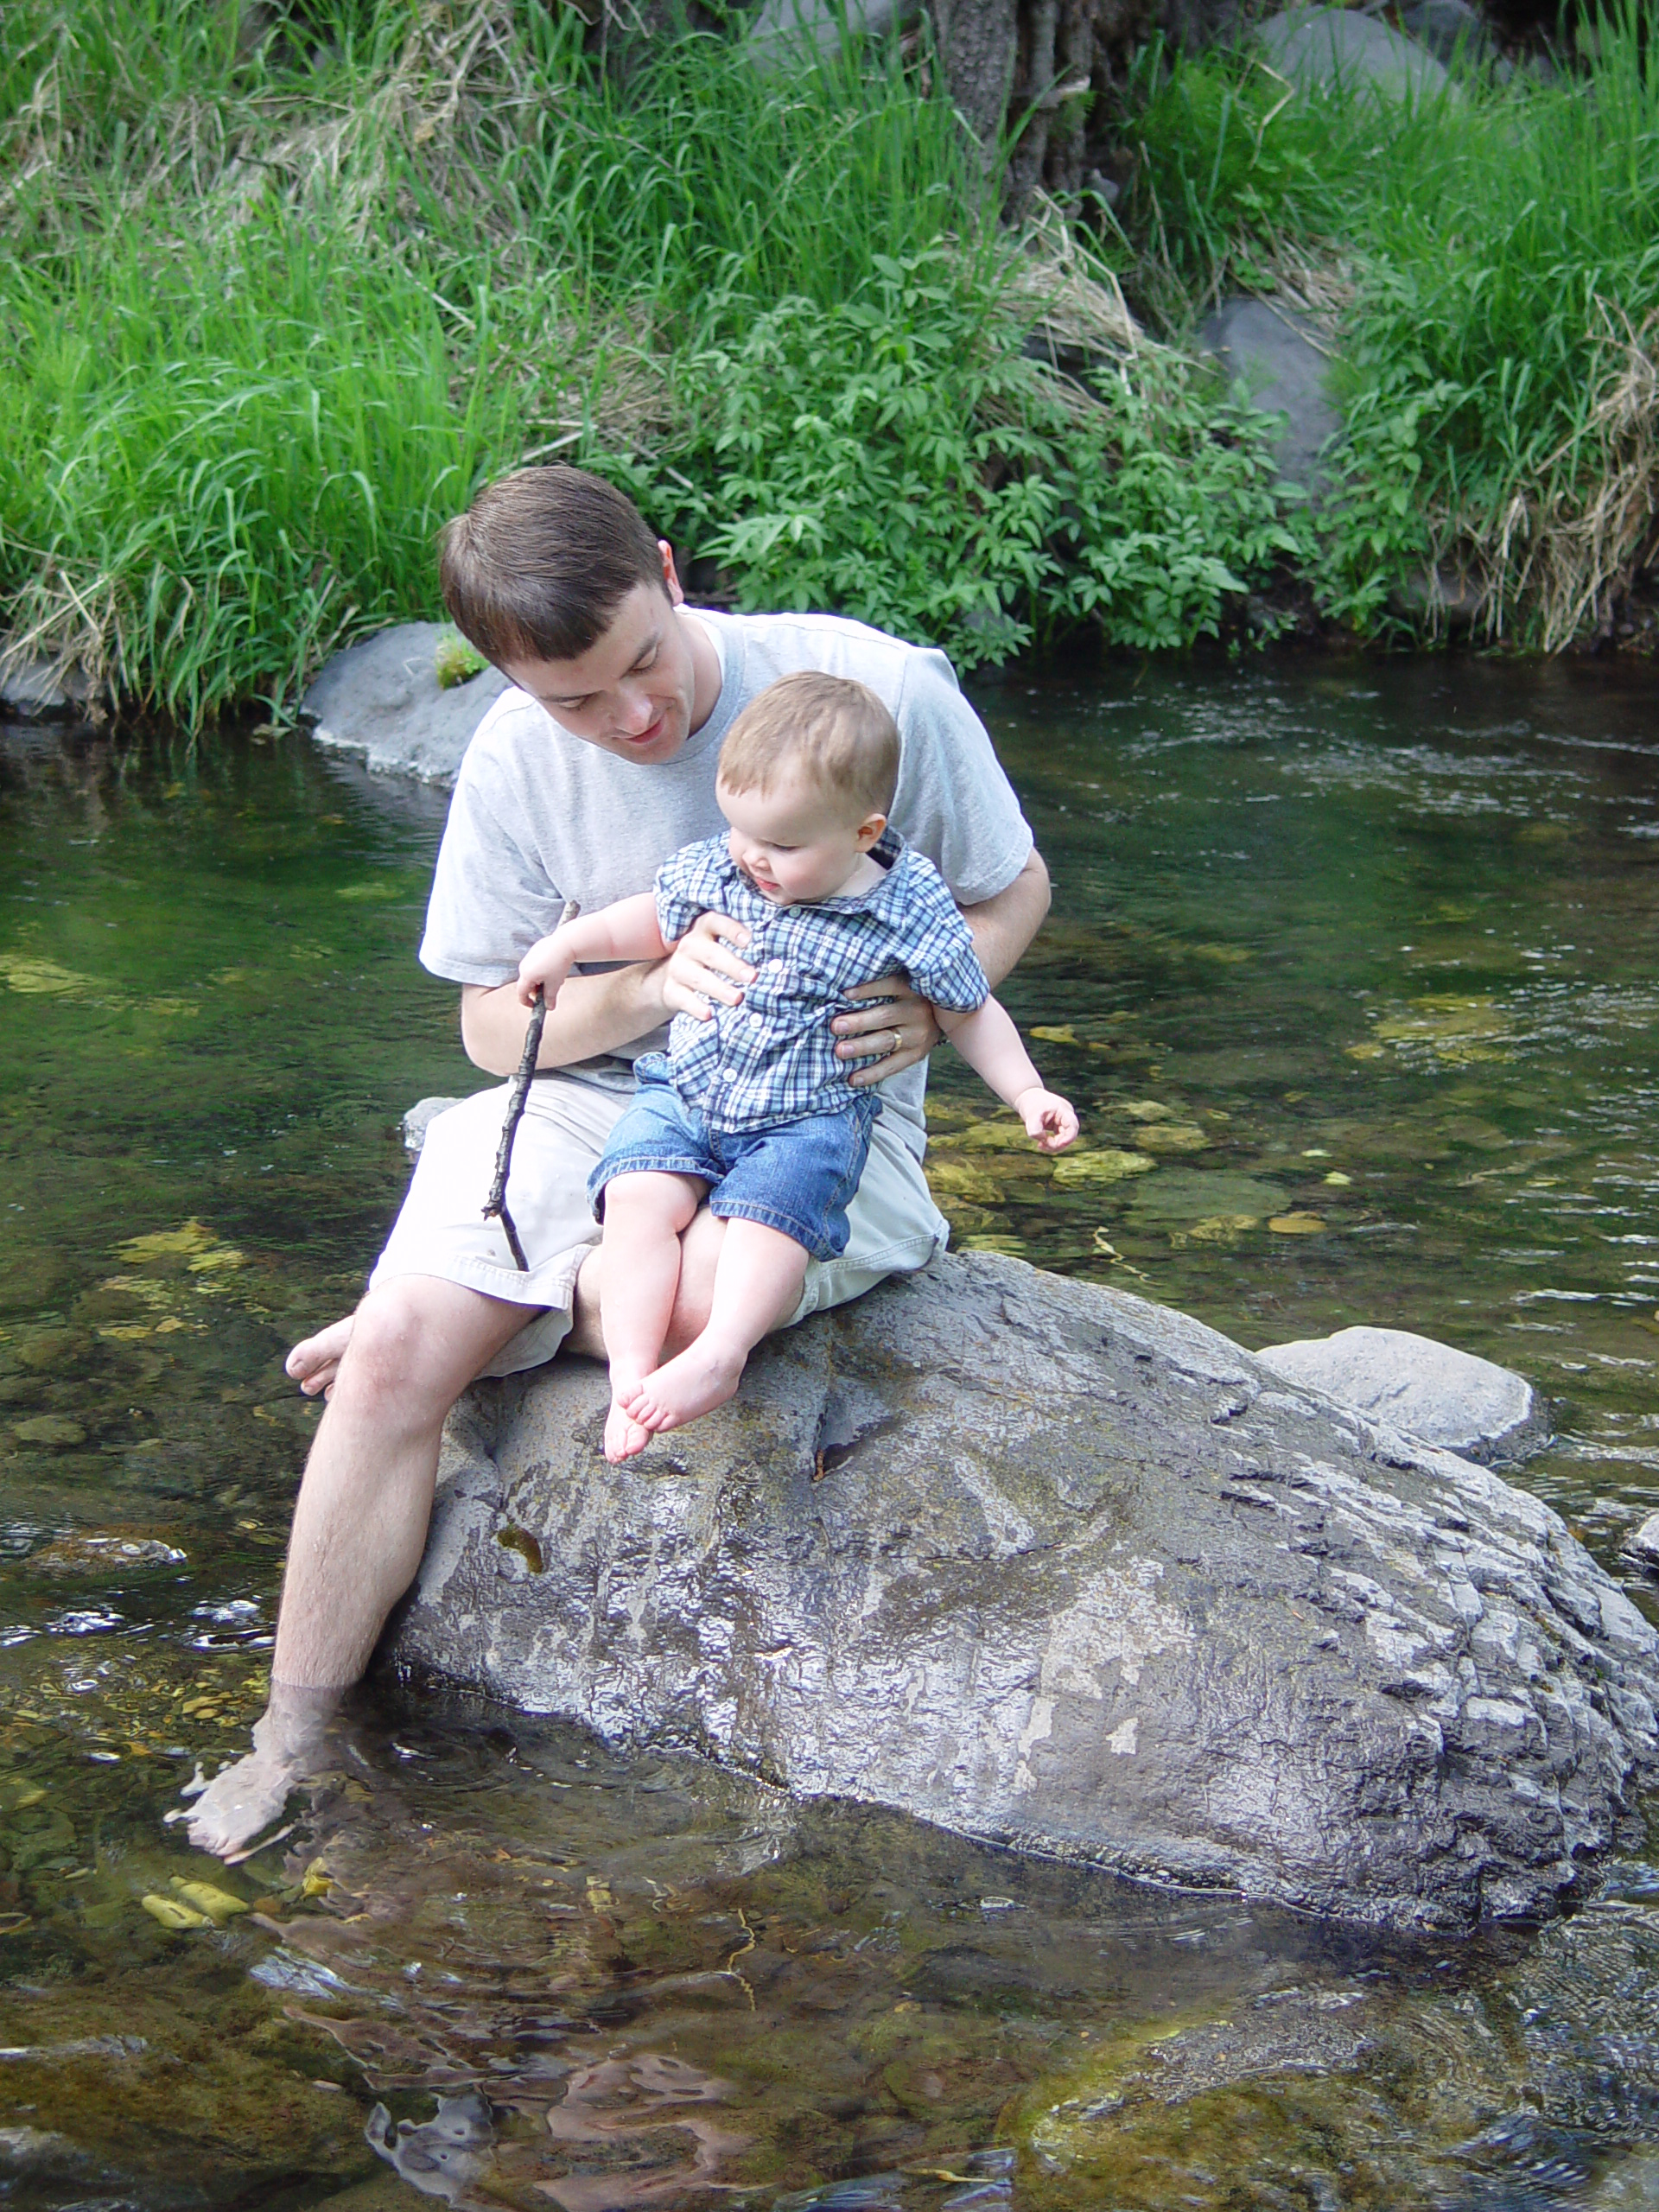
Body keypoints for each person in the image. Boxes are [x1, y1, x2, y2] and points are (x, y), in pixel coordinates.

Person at [180, 463, 1051, 1858]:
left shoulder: (870, 689)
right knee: (404, 1356)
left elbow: (1013, 892)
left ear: (665, 563)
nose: (633, 720)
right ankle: (295, 1737)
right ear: (509, 679)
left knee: (709, 1306)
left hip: (828, 1101)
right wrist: (652, 989)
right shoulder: (514, 764)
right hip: (604, 1095)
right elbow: (486, 1025)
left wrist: (939, 1008)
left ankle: (489, 1296)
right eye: (577, 699)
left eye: (644, 661)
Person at [517, 670, 1077, 1462]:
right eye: (741, 832)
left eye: (782, 844)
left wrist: (1026, 1091)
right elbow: (652, 916)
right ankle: (632, 1378)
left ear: (861, 832)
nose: (753, 859)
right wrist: (570, 945)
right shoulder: (731, 862)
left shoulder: (907, 905)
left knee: (768, 1224)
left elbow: (968, 1005)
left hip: (804, 1119)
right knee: (639, 1198)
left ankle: (720, 1353)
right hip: (692, 1089)